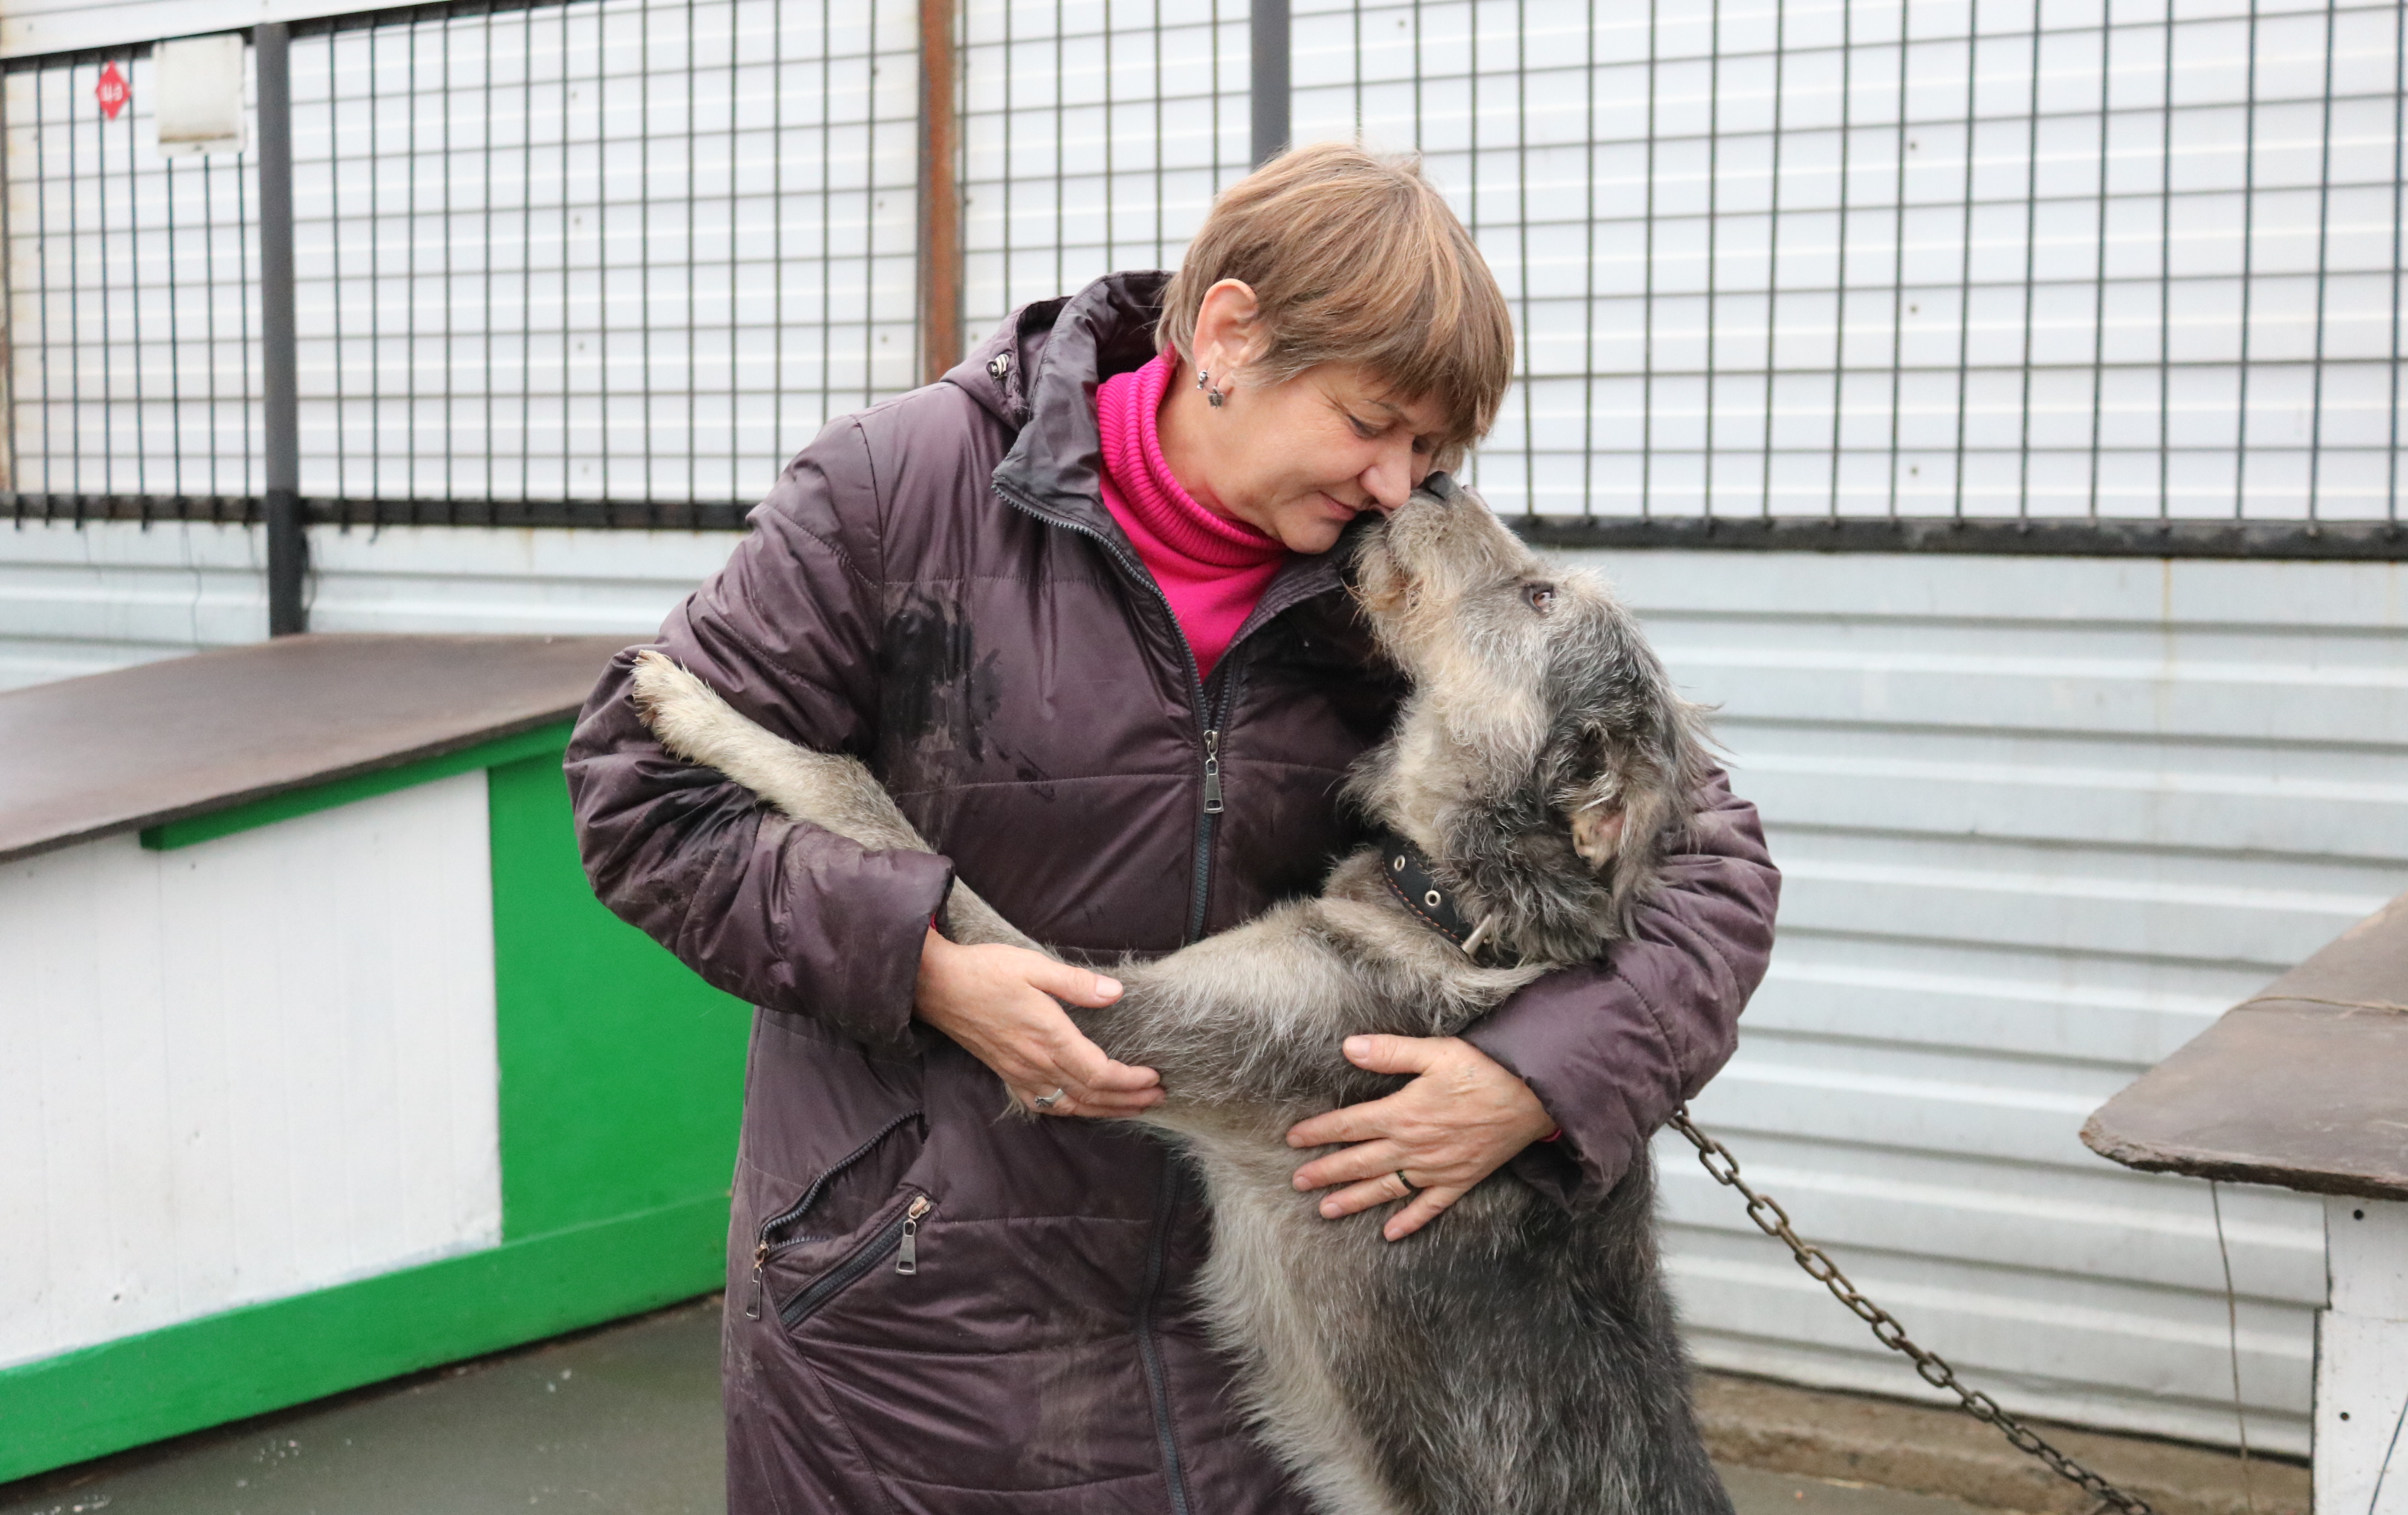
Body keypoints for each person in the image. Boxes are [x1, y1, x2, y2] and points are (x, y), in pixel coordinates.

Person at [565, 143, 1780, 1515]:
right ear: (1229, 333)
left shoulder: (1385, 577)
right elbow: (639, 787)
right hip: (921, 1339)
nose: (1402, 485)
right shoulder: (896, 489)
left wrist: (1541, 1077)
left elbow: (1707, 863)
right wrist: (921, 964)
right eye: (1373, 421)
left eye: (1435, 449)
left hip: (1243, 1390)